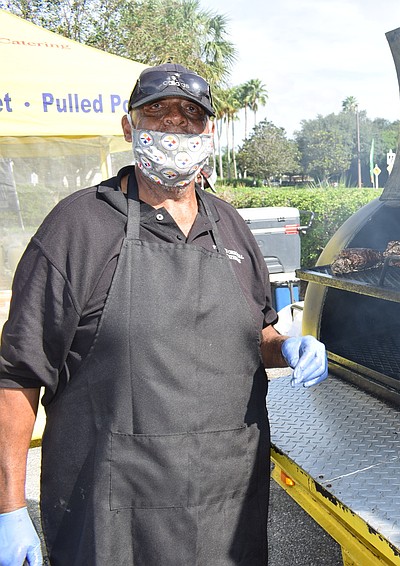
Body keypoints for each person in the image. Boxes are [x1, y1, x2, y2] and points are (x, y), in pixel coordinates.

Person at [0, 63, 328, 565]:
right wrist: (9, 507)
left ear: (208, 132)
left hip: (228, 512)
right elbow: (17, 374)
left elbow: (254, 333)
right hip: (116, 520)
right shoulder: (78, 226)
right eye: (157, 112)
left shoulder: (231, 225)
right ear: (129, 128)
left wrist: (283, 345)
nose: (174, 125)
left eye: (190, 116)